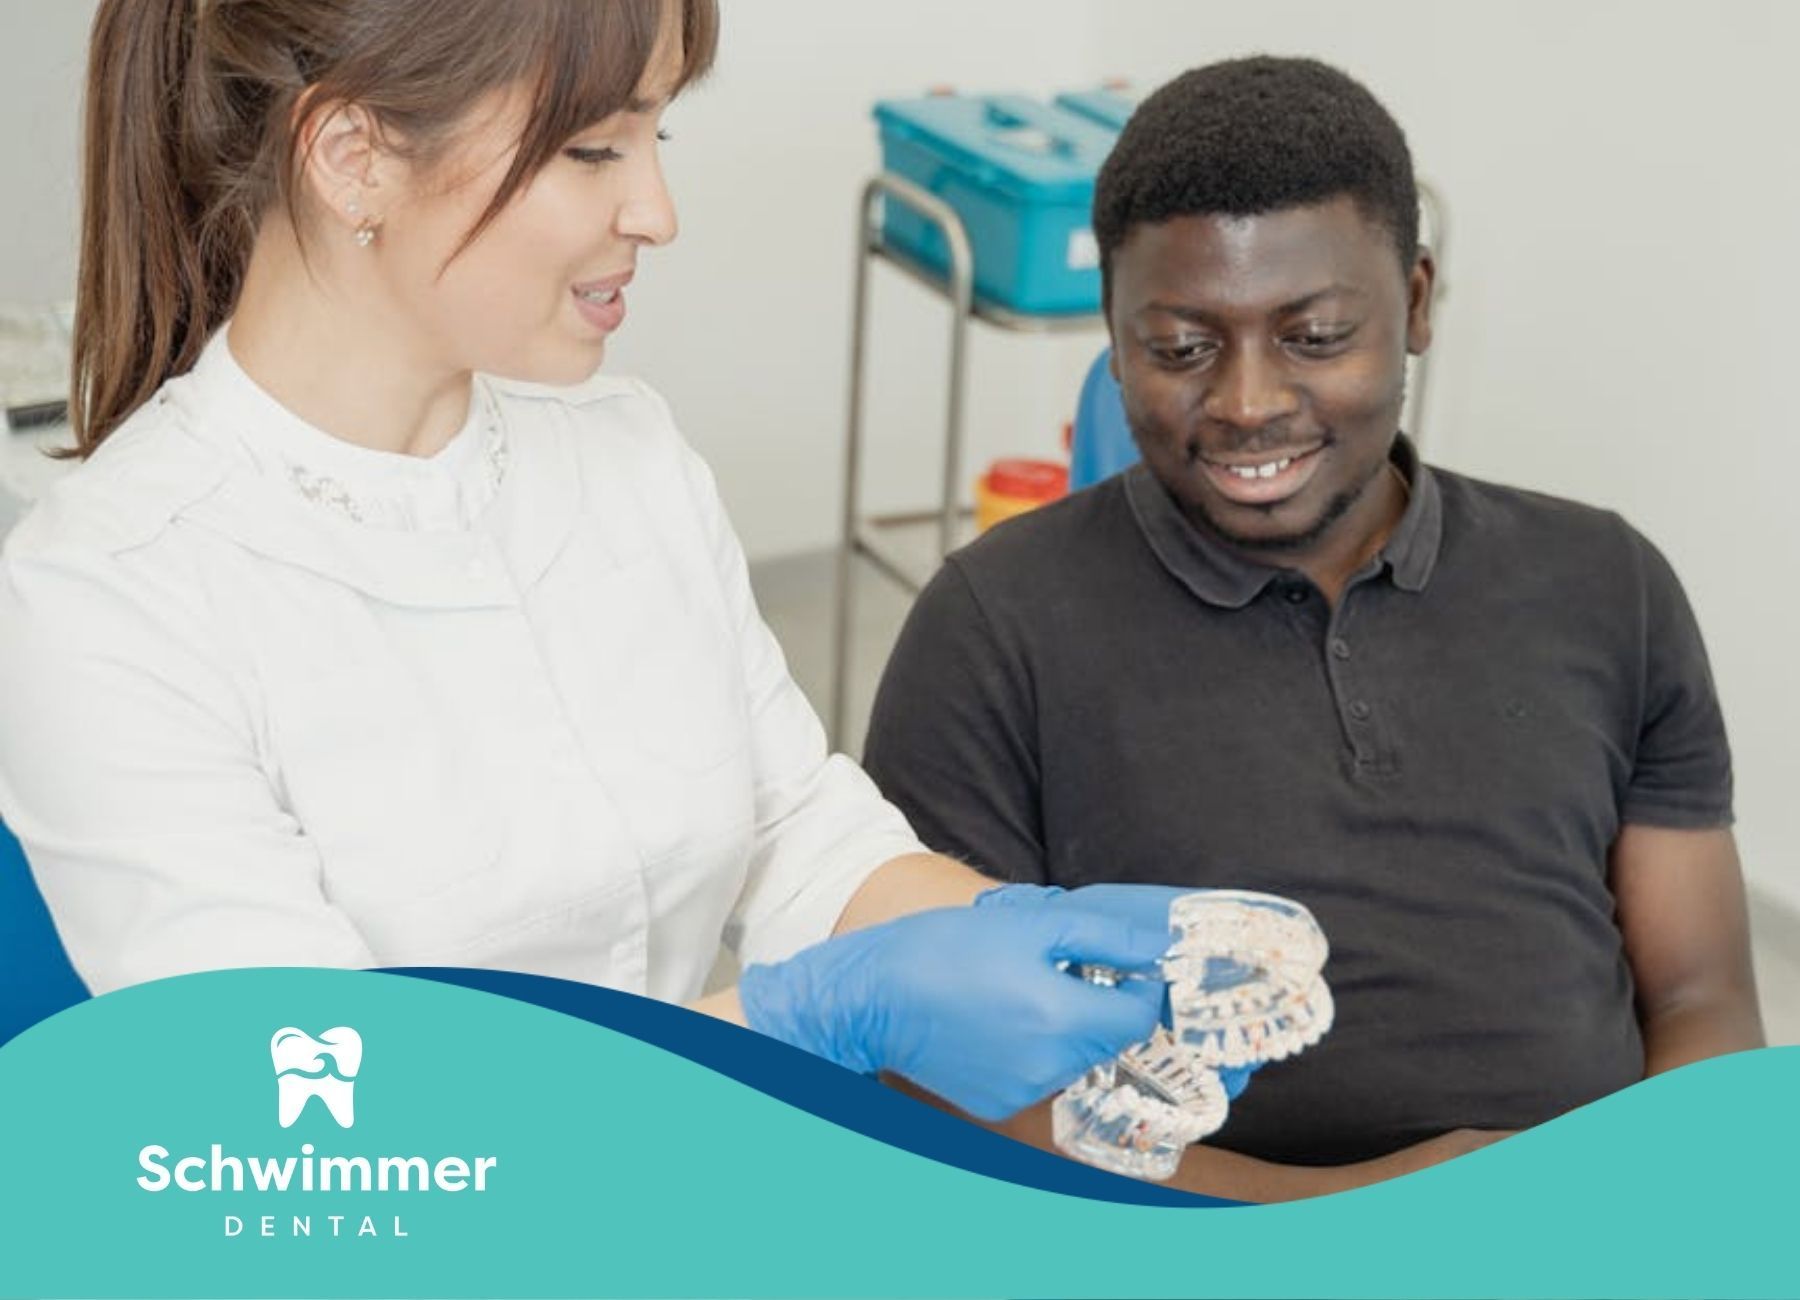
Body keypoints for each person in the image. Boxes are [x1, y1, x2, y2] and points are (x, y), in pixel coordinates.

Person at [0, 0, 1179, 1127]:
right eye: (590, 149)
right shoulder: (110, 591)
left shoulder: (626, 452)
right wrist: (810, 1024)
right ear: (352, 154)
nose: (657, 211)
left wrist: (1036, 950)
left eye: (653, 134)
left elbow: (796, 835)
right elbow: (333, 1113)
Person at [863, 56, 1766, 1194]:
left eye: (1317, 335)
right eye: (1182, 347)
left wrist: (1647, 1198)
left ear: (1419, 302)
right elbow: (942, 1084)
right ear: (1113, 333)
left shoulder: (1608, 582)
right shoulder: (992, 627)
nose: (1248, 402)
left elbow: (1701, 997)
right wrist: (1378, 1217)